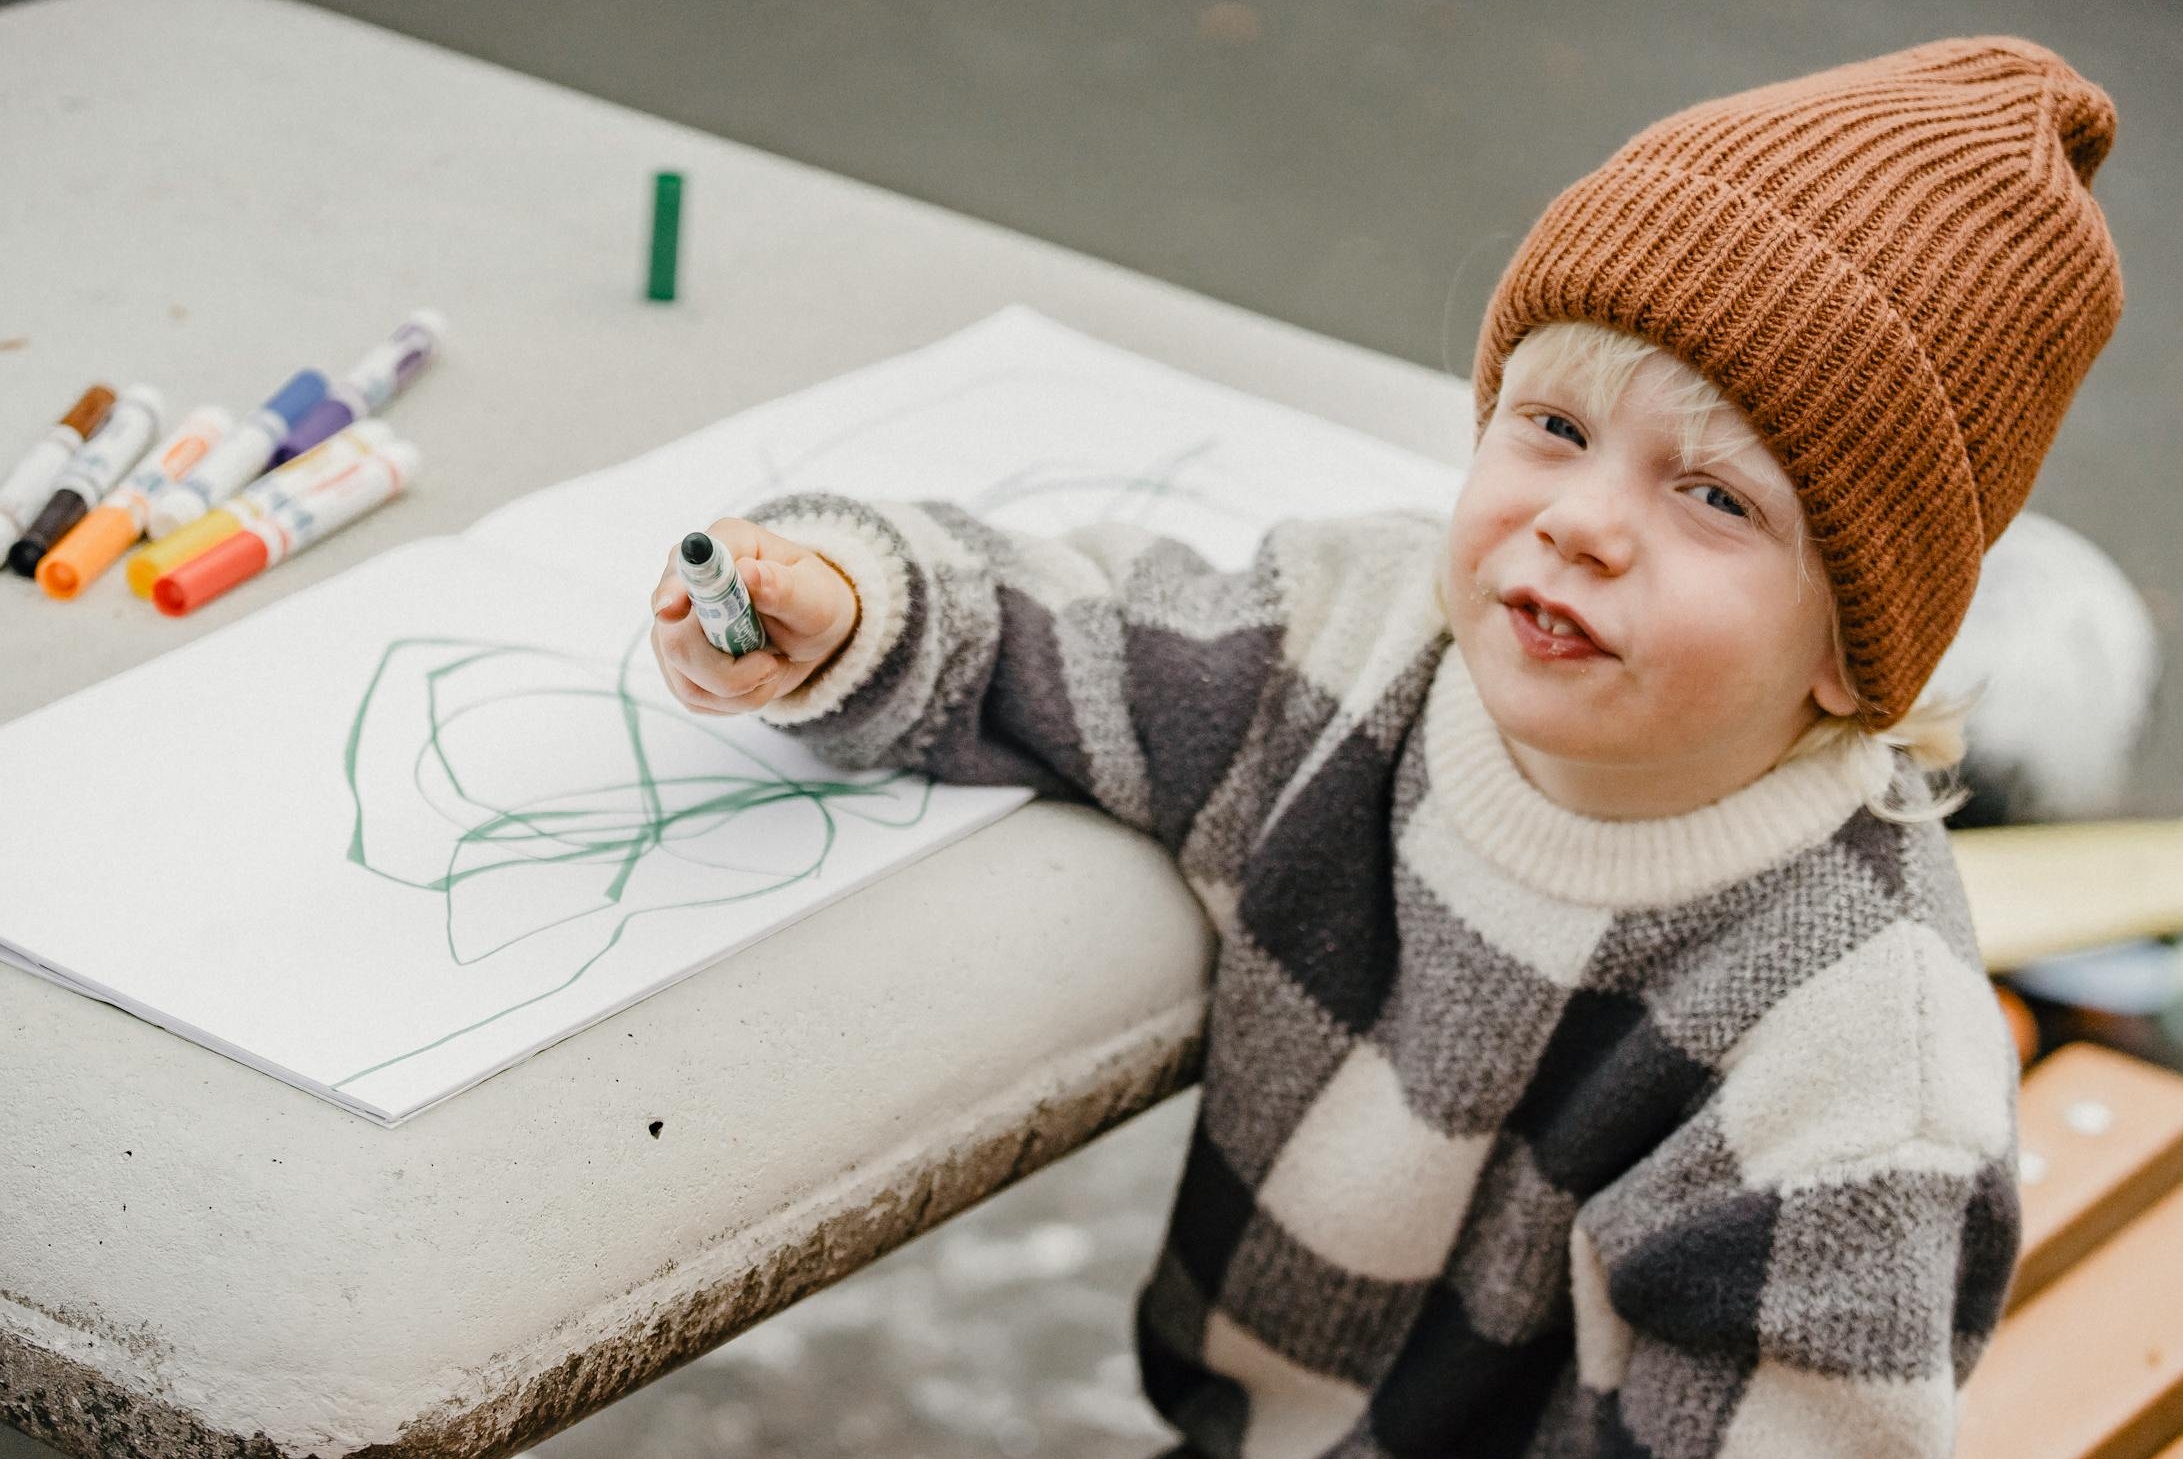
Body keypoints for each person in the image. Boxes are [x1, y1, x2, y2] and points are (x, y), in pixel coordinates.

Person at [649, 35, 2122, 1458]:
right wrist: (847, 612)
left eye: (1717, 499)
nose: (1584, 520)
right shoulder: (1368, 649)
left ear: (1856, 645)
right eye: (1551, 422)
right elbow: (1074, 631)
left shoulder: (1856, 1066)